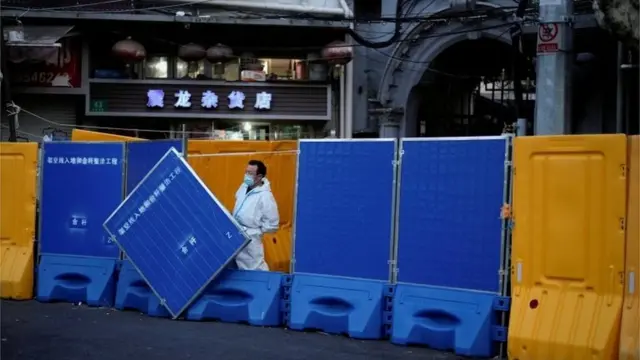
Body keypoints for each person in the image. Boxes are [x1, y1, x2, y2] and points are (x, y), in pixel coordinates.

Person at [232, 160, 279, 271]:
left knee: (254, 267)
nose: (246, 176)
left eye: (250, 173)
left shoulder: (265, 196)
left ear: (259, 177)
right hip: (237, 234)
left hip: (251, 239)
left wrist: (255, 232)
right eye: (246, 172)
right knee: (239, 267)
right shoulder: (243, 187)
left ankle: (263, 286)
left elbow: (272, 224)